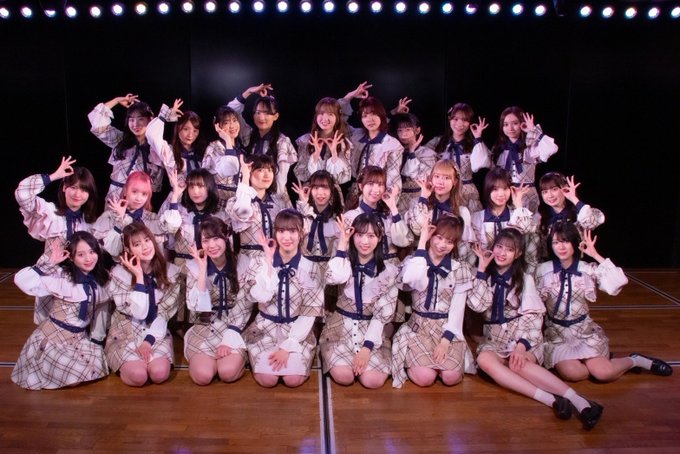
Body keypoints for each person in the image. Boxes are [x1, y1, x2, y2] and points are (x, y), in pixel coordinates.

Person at [469, 228, 603, 430]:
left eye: (509, 249)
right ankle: (552, 400)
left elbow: (533, 317)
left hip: (521, 334)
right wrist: (481, 269)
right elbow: (477, 305)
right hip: (494, 338)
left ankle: (580, 402)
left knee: (517, 363)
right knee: (484, 360)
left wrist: (521, 346)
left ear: (518, 254)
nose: (502, 253)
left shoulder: (525, 279)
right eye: (499, 247)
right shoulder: (482, 276)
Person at [536, 222, 673, 382]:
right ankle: (592, 363)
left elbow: (619, 281)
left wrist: (595, 255)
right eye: (556, 242)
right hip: (557, 335)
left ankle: (637, 361)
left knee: (604, 374)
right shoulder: (542, 270)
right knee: (575, 374)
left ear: (574, 242)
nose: (561, 247)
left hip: (584, 332)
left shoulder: (586, 269)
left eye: (565, 241)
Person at [12, 232, 113, 389]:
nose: (88, 258)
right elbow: (22, 281)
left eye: (92, 252)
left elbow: (105, 303)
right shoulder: (61, 276)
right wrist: (48, 263)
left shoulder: (100, 278)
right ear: (71, 257)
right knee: (74, 377)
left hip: (79, 338)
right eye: (81, 254)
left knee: (94, 369)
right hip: (54, 339)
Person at [15, 156, 101, 324]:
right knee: (49, 326)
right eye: (73, 187)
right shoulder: (50, 213)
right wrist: (53, 176)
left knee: (79, 326)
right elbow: (22, 194)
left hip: (79, 283)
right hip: (52, 278)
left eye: (84, 189)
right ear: (64, 187)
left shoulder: (91, 222)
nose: (78, 194)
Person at [392, 216, 475, 388]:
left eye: (449, 241)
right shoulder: (414, 262)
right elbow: (408, 281)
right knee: (425, 378)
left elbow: (458, 309)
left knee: (450, 378)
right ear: (431, 235)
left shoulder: (459, 268)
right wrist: (422, 241)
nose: (442, 245)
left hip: (447, 327)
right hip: (419, 328)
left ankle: (440, 362)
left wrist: (446, 341)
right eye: (439, 237)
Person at [244, 210, 324, 388]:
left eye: (292, 231)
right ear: (275, 233)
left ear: (301, 233)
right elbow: (253, 296)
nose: (286, 237)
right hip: (264, 330)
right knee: (268, 380)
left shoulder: (311, 267)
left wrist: (289, 345)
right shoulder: (259, 262)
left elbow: (310, 312)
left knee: (293, 380)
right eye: (281, 231)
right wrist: (268, 265)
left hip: (297, 331)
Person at [320, 213, 398, 389]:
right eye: (360, 235)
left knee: (372, 381)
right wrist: (343, 242)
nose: (364, 241)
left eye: (371, 236)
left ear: (380, 238)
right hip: (340, 331)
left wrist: (366, 348)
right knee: (344, 377)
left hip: (371, 332)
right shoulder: (344, 263)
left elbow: (382, 314)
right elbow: (332, 278)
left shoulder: (389, 272)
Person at [105, 222, 181, 386]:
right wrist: (139, 277)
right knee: (138, 376)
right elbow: (138, 313)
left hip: (156, 330)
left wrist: (149, 340)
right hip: (125, 330)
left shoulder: (171, 272)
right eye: (137, 244)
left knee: (159, 373)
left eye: (147, 240)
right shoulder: (119, 274)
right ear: (128, 250)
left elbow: (165, 312)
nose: (145, 247)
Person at [184, 217, 255, 385]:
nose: (212, 245)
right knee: (203, 376)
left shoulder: (242, 263)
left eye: (216, 238)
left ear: (226, 237)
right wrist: (202, 270)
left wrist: (230, 336)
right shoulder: (194, 266)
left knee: (227, 373)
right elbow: (196, 307)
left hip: (235, 325)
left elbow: (245, 305)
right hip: (205, 325)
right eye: (206, 240)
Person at [227, 83, 297, 200]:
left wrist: (267, 200)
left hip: (273, 197)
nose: (261, 117)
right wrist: (248, 92)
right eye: (258, 112)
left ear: (275, 116)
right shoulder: (247, 134)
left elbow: (281, 178)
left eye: (267, 113)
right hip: (248, 193)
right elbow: (230, 112)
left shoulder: (282, 141)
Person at [88, 94, 165, 198]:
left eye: (141, 119)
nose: (135, 124)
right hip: (115, 195)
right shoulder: (121, 140)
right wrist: (116, 100)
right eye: (131, 120)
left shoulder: (156, 147)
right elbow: (97, 122)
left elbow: (155, 185)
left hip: (140, 198)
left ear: (150, 119)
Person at [227, 155, 292, 275]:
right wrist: (245, 178)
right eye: (260, 170)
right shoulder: (235, 202)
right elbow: (242, 211)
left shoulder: (280, 203)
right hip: (247, 264)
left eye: (270, 170)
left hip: (275, 263)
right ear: (249, 172)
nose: (267, 175)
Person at [93, 170, 182, 258]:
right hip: (123, 265)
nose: (139, 198)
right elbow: (112, 250)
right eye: (134, 192)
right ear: (125, 191)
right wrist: (120, 220)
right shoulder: (110, 216)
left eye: (144, 194)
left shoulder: (150, 217)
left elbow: (171, 227)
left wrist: (174, 196)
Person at [425, 103, 492, 212]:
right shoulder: (438, 142)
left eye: (464, 120)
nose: (459, 123)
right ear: (449, 119)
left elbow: (483, 164)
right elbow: (421, 157)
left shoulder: (474, 144)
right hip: (443, 190)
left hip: (466, 191)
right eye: (455, 119)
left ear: (470, 122)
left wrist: (478, 138)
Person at [407, 160, 476, 264]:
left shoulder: (461, 212)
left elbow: (464, 248)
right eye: (437, 176)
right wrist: (423, 198)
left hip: (448, 265)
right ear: (431, 178)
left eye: (446, 178)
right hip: (419, 261)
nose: (440, 182)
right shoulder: (418, 203)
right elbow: (417, 230)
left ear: (455, 181)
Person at [491, 106, 558, 212]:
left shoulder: (530, 148)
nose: (510, 128)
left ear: (522, 124)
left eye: (515, 123)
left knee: (527, 221)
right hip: (505, 195)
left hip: (528, 195)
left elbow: (552, 148)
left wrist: (534, 131)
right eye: (506, 124)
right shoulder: (499, 149)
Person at [294, 97, 352, 186]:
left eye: (330, 114)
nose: (325, 118)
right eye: (321, 113)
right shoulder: (305, 140)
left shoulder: (343, 143)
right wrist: (316, 155)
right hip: (310, 190)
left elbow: (344, 177)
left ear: (337, 118)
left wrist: (334, 154)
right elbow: (301, 174)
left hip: (333, 192)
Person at [392, 112, 437, 213]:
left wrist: (412, 153)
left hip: (417, 198)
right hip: (396, 199)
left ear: (417, 130)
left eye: (408, 130)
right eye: (400, 130)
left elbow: (424, 177)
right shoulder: (395, 152)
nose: (403, 134)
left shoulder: (427, 153)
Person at [202, 104, 245, 205]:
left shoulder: (240, 149)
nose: (232, 126)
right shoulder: (214, 148)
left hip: (237, 201)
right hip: (218, 202)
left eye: (234, 120)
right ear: (217, 126)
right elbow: (229, 168)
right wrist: (227, 139)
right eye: (226, 122)